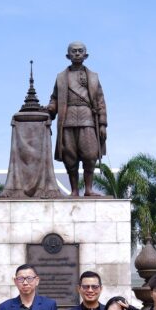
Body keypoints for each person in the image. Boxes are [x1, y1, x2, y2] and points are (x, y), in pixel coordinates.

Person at [46, 41, 108, 197]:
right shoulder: (61, 78)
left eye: (80, 51)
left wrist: (102, 124)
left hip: (87, 117)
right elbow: (54, 99)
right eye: (74, 51)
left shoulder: (93, 77)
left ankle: (88, 189)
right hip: (67, 119)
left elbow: (100, 100)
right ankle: (74, 190)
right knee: (70, 156)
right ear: (68, 55)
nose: (77, 53)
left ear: (86, 55)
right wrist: (50, 110)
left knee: (90, 154)